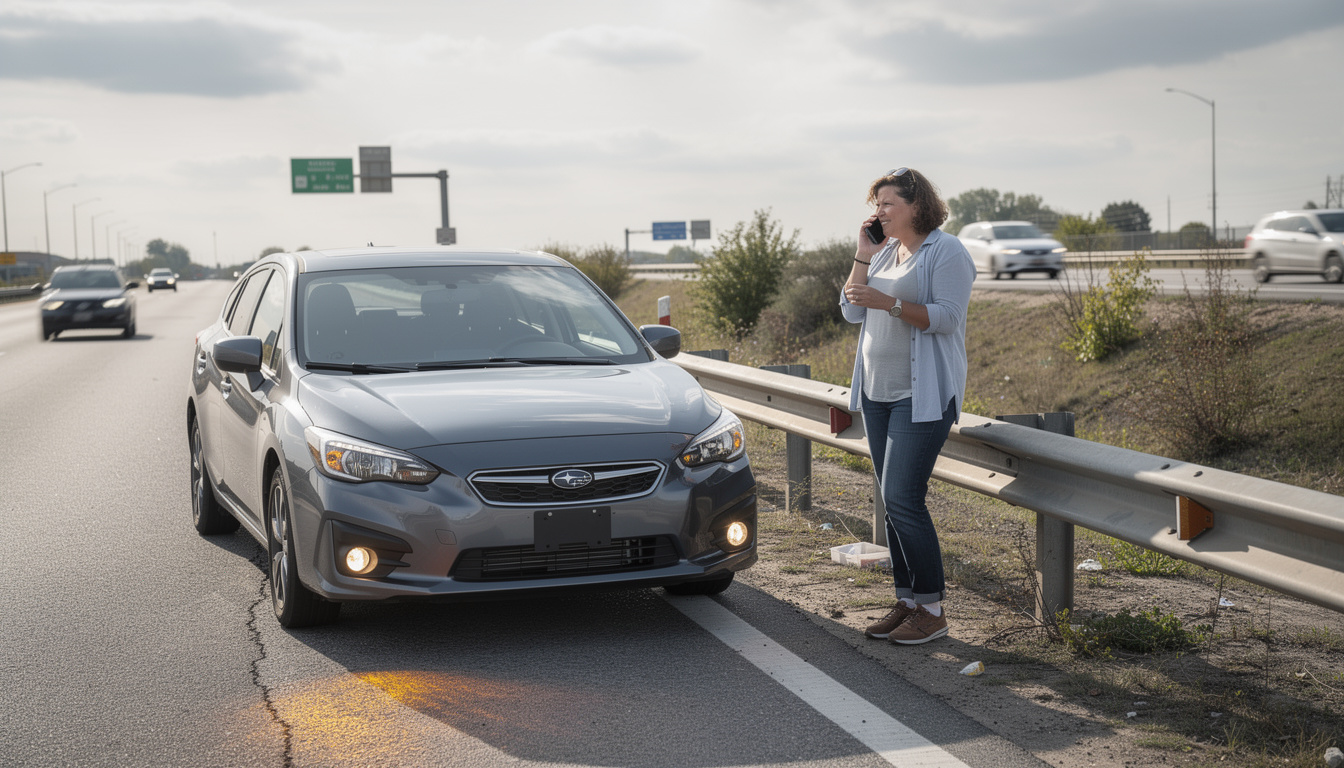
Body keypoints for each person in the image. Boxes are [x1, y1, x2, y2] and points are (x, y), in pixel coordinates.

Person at [840, 167, 975, 645]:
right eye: (875, 204)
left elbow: (946, 317)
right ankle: (909, 600)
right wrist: (862, 254)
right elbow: (852, 308)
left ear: (916, 206)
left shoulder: (946, 251)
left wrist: (888, 302)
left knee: (902, 498)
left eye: (887, 203)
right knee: (891, 501)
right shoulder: (883, 253)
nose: (878, 212)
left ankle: (933, 610)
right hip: (877, 394)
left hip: (922, 397)